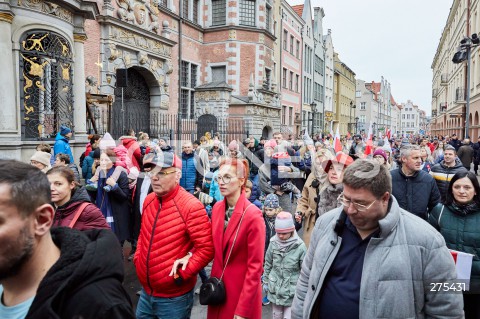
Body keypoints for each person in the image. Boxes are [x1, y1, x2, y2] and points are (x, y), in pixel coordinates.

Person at [291, 159, 464, 319]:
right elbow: (306, 280)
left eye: (360, 203)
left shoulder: (430, 241)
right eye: (346, 199)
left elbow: (448, 308)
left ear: (384, 198)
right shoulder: (324, 225)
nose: (350, 209)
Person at [0, 159, 135, 318]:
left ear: (43, 219)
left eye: (58, 184)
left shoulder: (97, 305)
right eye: (49, 184)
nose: (52, 189)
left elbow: (105, 242)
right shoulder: (54, 210)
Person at [134, 151, 214, 318]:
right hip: (146, 293)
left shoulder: (191, 206)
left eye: (161, 173)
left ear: (177, 175)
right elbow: (143, 234)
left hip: (174, 299)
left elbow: (206, 248)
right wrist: (138, 259)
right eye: (152, 172)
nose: (154, 177)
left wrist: (180, 275)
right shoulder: (149, 200)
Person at [207, 158, 265, 319]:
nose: (221, 182)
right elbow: (211, 245)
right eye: (219, 177)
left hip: (240, 293)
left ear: (241, 181)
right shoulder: (218, 207)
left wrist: (243, 310)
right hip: (217, 290)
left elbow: (255, 268)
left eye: (227, 177)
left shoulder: (253, 215)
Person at [428, 171, 480, 318]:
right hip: (446, 281)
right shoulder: (439, 211)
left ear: (475, 190)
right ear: (451, 189)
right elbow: (429, 245)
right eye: (457, 187)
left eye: (467, 187)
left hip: (476, 284)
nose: (461, 191)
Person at [263, 212, 306, 319]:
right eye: (278, 233)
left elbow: (304, 270)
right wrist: (266, 281)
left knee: (289, 316)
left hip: (291, 289)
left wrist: (303, 289)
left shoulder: (300, 246)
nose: (281, 236)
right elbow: (268, 263)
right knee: (276, 315)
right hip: (275, 288)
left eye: (284, 233)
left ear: (291, 230)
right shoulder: (273, 243)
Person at [87, 150, 131, 243]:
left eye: (106, 160)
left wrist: (115, 186)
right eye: (101, 160)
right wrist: (91, 185)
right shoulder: (98, 174)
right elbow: (93, 197)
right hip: (101, 212)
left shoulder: (120, 174)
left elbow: (124, 197)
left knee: (117, 243)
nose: (103, 162)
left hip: (116, 214)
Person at [46, 166, 109, 230]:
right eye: (48, 184)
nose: (51, 188)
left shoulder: (88, 211)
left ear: (72, 185)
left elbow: (106, 238)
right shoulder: (42, 209)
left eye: (58, 184)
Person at [391, 145, 441, 219]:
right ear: (404, 159)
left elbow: (435, 208)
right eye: (415, 158)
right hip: (395, 226)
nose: (420, 161)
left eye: (420, 158)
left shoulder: (428, 179)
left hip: (420, 226)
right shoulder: (390, 178)